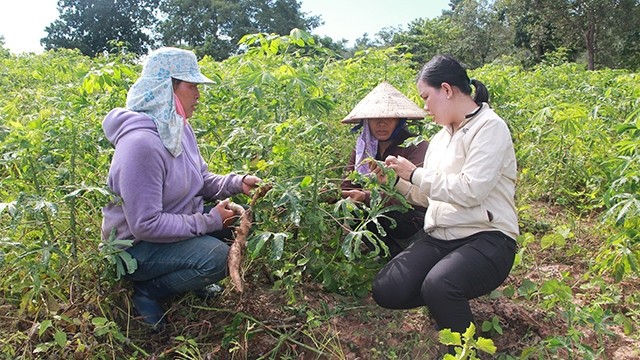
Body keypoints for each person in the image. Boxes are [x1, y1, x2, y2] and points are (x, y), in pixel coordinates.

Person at [101, 47, 261, 328]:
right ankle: (148, 291)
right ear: (167, 89)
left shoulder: (178, 128)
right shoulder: (141, 145)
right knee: (217, 257)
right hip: (135, 249)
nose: (198, 94)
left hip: (167, 230)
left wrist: (237, 183)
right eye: (192, 86)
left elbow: (200, 180)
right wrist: (209, 221)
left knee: (238, 220)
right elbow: (146, 225)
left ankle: (187, 280)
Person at [371, 55, 519, 344]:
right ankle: (442, 301)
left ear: (447, 90)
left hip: (487, 237)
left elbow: (470, 190)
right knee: (387, 289)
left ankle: (464, 347)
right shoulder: (439, 139)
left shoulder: (490, 127)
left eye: (426, 97)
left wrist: (414, 173)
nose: (425, 106)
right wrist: (395, 183)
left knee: (441, 284)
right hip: (440, 236)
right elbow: (429, 196)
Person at [340, 81, 429, 258]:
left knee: (384, 215)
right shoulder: (362, 150)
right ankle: (382, 255)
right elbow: (346, 186)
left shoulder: (415, 146)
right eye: (375, 118)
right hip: (374, 215)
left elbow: (416, 196)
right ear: (366, 122)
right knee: (351, 209)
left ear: (400, 120)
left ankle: (406, 254)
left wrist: (366, 196)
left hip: (412, 218)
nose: (382, 123)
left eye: (389, 117)